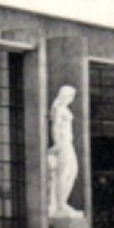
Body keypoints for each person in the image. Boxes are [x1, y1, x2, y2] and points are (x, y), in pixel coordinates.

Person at [47, 85, 82, 218]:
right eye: (70, 95)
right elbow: (55, 127)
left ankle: (63, 202)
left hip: (68, 143)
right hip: (63, 144)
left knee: (72, 172)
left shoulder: (64, 109)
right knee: (64, 173)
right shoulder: (58, 109)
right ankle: (61, 204)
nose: (71, 99)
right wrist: (57, 143)